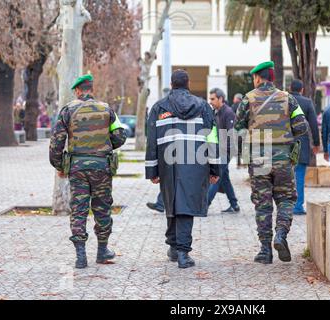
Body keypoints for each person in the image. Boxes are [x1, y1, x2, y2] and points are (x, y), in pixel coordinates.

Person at [49, 74, 127, 269]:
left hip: (77, 169)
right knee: (102, 208)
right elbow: (120, 135)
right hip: (102, 167)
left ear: (77, 90)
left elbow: (56, 142)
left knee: (79, 208)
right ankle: (102, 251)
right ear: (91, 89)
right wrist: (104, 145)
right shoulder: (107, 109)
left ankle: (81, 256)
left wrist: (60, 166)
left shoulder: (68, 110)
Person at [145, 69, 220, 269]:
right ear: (188, 85)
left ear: (171, 84)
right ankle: (182, 253)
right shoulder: (204, 106)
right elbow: (212, 139)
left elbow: (151, 140)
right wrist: (214, 169)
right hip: (195, 163)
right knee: (185, 206)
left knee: (172, 202)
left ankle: (175, 248)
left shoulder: (159, 107)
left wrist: (152, 170)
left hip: (168, 164)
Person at [236, 61, 308, 264]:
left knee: (263, 203)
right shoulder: (288, 98)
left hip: (258, 158)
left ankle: (265, 251)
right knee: (286, 199)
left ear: (258, 78)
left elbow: (238, 128)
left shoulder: (248, 99)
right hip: (284, 158)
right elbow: (302, 127)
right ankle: (281, 235)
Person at [290, 80, 320, 215]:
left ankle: (285, 205)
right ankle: (297, 206)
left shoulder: (284, 101)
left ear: (290, 88)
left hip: (285, 143)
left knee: (284, 176)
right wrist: (316, 143)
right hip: (301, 143)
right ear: (301, 89)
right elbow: (313, 124)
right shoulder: (307, 103)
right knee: (300, 175)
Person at [207, 88, 240, 213]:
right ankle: (234, 204)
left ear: (221, 99)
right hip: (220, 150)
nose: (210, 101)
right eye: (210, 99)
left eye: (213, 99)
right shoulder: (217, 112)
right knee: (224, 177)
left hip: (226, 150)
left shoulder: (228, 112)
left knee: (216, 177)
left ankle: (204, 205)